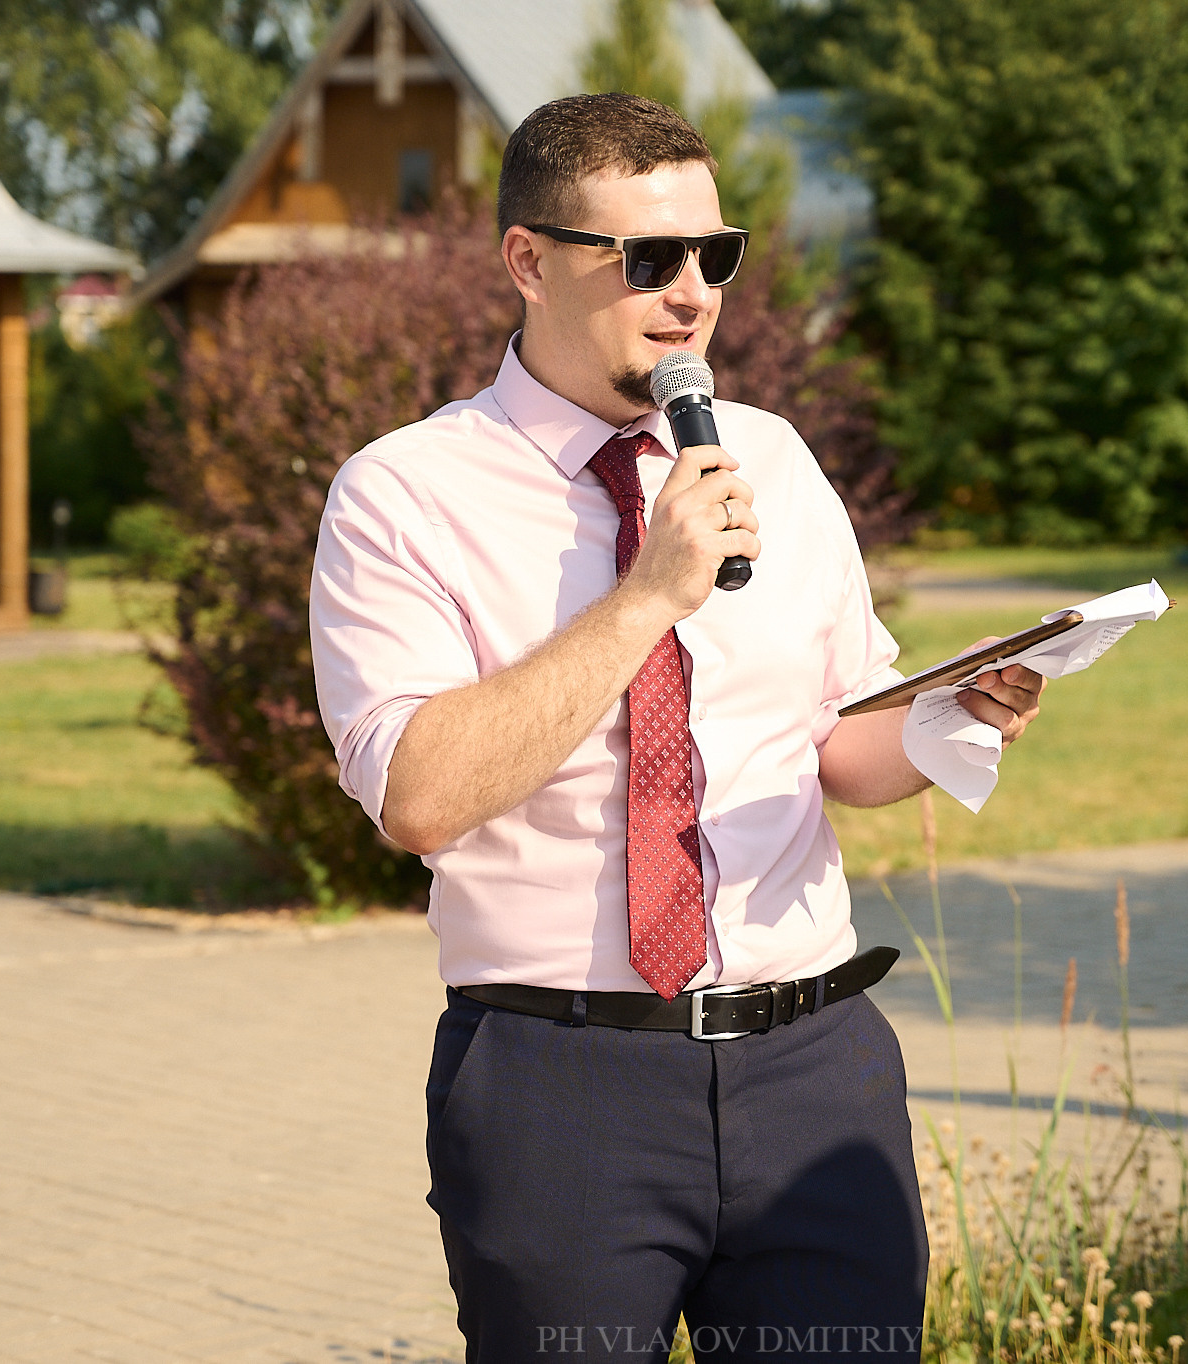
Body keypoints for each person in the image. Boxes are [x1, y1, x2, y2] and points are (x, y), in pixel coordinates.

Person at [311, 93, 1046, 1360]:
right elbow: (418, 796)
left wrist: (945, 715)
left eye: (717, 254)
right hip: (562, 1080)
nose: (691, 291)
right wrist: (649, 594)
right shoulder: (403, 493)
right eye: (647, 258)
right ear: (527, 262)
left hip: (813, 1067)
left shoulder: (773, 458)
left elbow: (834, 747)